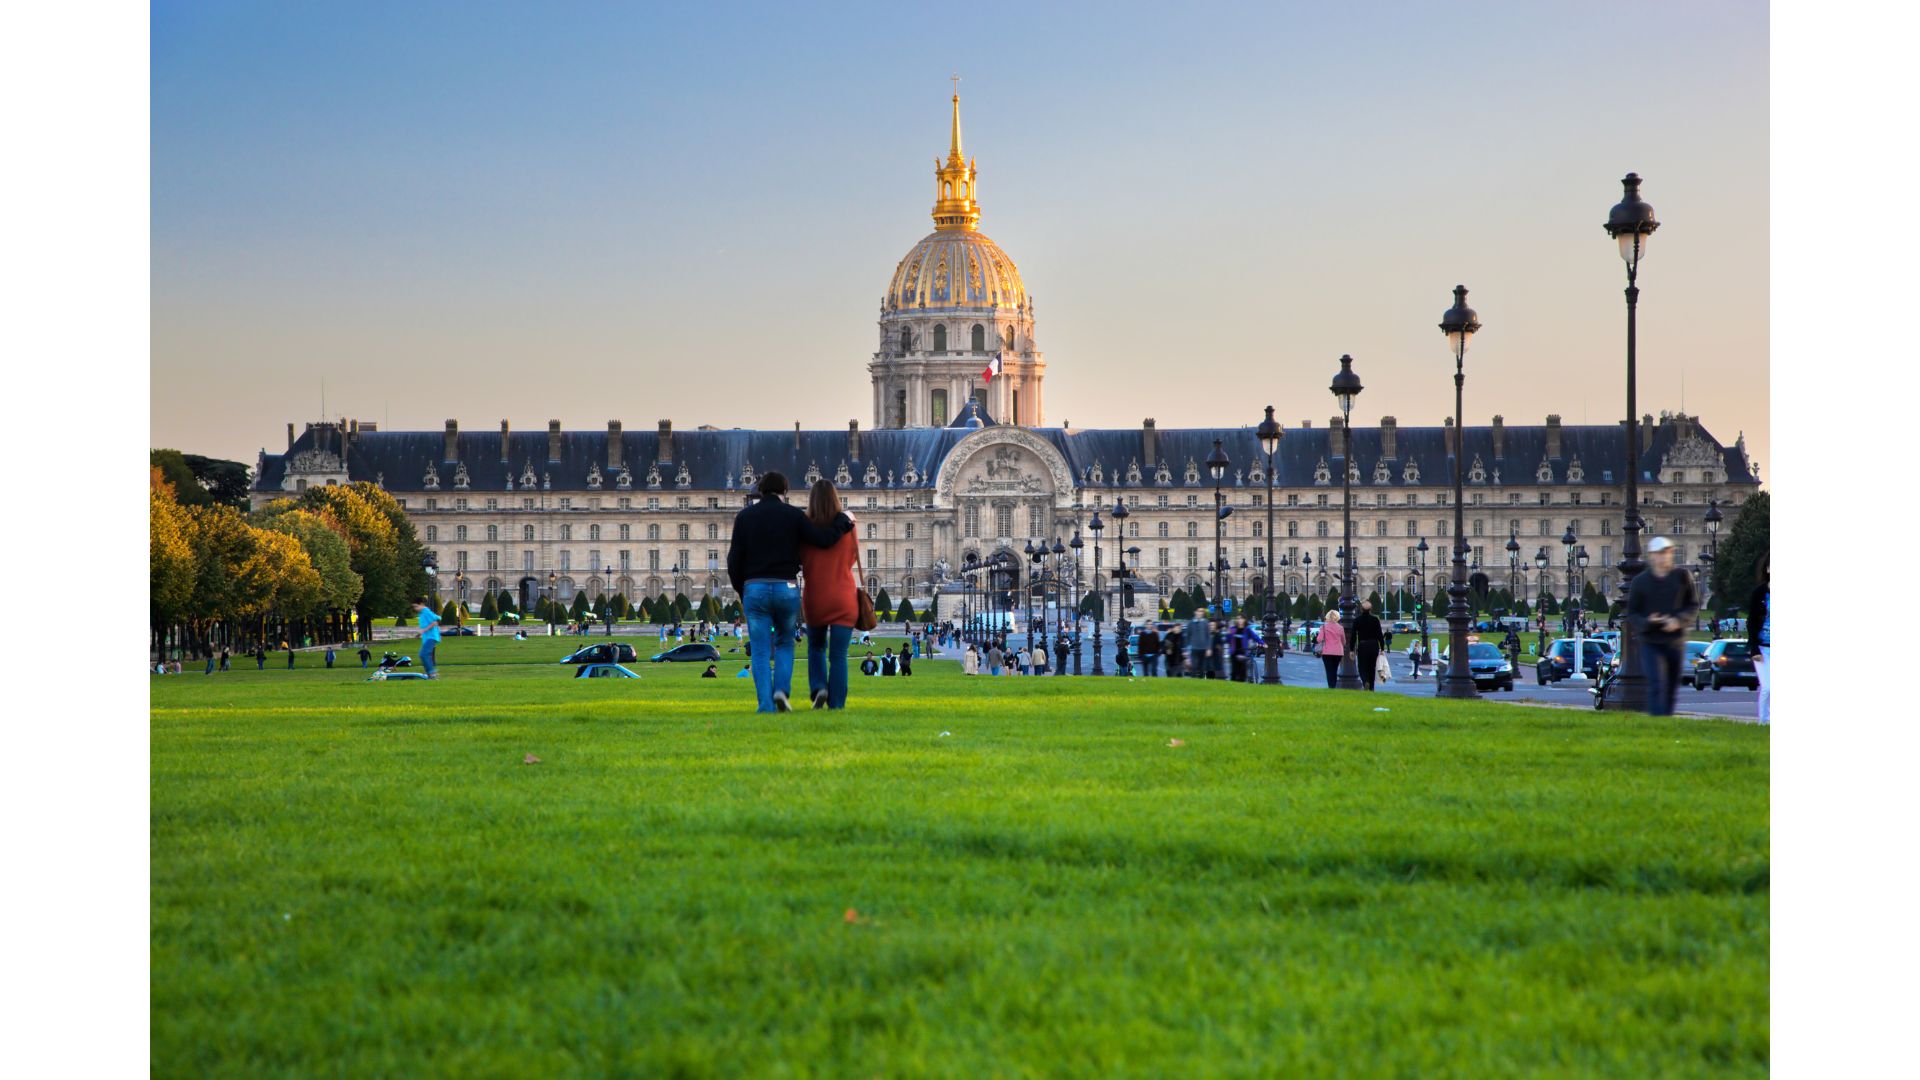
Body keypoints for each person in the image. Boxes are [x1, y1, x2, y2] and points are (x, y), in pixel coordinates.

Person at [726, 471, 854, 713]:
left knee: (761, 650)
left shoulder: (744, 517)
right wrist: (842, 521)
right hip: (786, 587)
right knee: (785, 643)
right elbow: (823, 539)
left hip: (755, 587)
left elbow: (734, 561)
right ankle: (781, 691)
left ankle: (765, 705)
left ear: (760, 490)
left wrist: (743, 590)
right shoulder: (794, 515)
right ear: (785, 491)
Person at [798, 478, 859, 710]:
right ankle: (836, 705)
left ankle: (818, 687)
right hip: (844, 596)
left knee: (816, 648)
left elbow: (800, 559)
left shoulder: (805, 529)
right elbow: (853, 558)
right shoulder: (849, 528)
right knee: (839, 656)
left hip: (815, 597)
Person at [1624, 537, 1699, 717]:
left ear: (1671, 554)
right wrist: (1649, 621)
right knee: (1657, 682)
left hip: (1675, 640)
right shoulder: (1641, 582)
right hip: (1651, 640)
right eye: (1659, 554)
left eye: (1666, 553)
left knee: (1672, 686)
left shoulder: (1682, 576)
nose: (1663, 558)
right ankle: (1657, 720)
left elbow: (1692, 605)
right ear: (1651, 556)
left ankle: (1665, 720)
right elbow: (1632, 613)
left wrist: (1678, 621)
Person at [1748, 553, 1770, 725]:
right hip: (1763, 648)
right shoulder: (1760, 593)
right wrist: (1754, 648)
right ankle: (1763, 722)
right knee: (1768, 687)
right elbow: (1752, 622)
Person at [1353, 602, 1384, 691]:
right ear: (1370, 609)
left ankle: (1365, 681)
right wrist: (1382, 648)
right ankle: (1371, 687)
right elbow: (1380, 635)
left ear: (1361, 609)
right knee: (1372, 667)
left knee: (1362, 666)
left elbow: (1353, 636)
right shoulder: (1375, 620)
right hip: (1374, 645)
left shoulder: (1357, 620)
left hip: (1363, 645)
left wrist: (1352, 649)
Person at [411, 596, 442, 678]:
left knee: (423, 654)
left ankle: (432, 673)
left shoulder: (426, 612)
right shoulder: (422, 613)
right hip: (428, 638)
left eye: (416, 606)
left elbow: (435, 622)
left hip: (431, 637)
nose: (415, 609)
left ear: (421, 604)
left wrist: (423, 631)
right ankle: (431, 673)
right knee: (425, 655)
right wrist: (420, 633)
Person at [1316, 608, 1346, 689]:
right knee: (1335, 669)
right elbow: (1344, 642)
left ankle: (1331, 686)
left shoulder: (1324, 627)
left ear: (1327, 617)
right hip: (1338, 652)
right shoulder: (1340, 628)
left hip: (1327, 652)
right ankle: (1334, 685)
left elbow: (1319, 639)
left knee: (1329, 670)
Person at [1186, 610, 1211, 678]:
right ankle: (1193, 682)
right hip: (1194, 648)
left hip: (1203, 649)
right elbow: (1188, 636)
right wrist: (1186, 650)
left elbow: (1208, 636)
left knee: (1202, 668)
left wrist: (1208, 648)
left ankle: (1201, 683)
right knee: (1194, 667)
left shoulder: (1205, 622)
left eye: (1201, 612)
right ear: (1195, 612)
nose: (1200, 613)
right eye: (1198, 611)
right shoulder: (1191, 622)